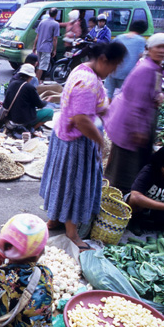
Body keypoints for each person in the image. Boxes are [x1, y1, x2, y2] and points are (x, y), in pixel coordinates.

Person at [39, 41, 127, 250]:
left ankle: (55, 220)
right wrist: (99, 140)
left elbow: (87, 107)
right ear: (104, 59)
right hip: (76, 143)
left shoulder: (82, 69)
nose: (113, 71)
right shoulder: (87, 81)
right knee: (72, 187)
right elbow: (81, 119)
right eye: (113, 66)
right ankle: (71, 233)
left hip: (65, 137)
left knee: (62, 182)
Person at [104, 32, 164, 194]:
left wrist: (158, 96)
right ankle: (120, 199)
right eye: (158, 46)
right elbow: (136, 103)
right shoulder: (146, 69)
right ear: (149, 48)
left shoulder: (154, 67)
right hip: (131, 125)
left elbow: (150, 92)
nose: (162, 50)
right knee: (126, 168)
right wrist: (138, 130)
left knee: (126, 164)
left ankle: (120, 194)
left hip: (135, 123)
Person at [3, 63, 54, 139]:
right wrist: (47, 101)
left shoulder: (12, 83)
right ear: (30, 76)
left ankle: (29, 128)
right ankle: (31, 128)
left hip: (10, 117)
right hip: (22, 120)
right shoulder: (29, 87)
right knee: (50, 112)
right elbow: (40, 104)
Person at [104, 20, 148, 101]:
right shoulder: (141, 40)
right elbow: (140, 56)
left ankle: (106, 112)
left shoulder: (119, 37)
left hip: (112, 69)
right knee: (123, 97)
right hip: (127, 72)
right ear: (143, 29)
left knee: (108, 94)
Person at [32, 8, 60, 83]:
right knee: (42, 66)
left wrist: (34, 46)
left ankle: (39, 81)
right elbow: (55, 39)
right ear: (56, 14)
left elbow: (37, 35)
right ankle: (36, 82)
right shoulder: (55, 24)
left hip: (39, 46)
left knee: (39, 65)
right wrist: (54, 50)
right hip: (46, 47)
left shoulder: (42, 22)